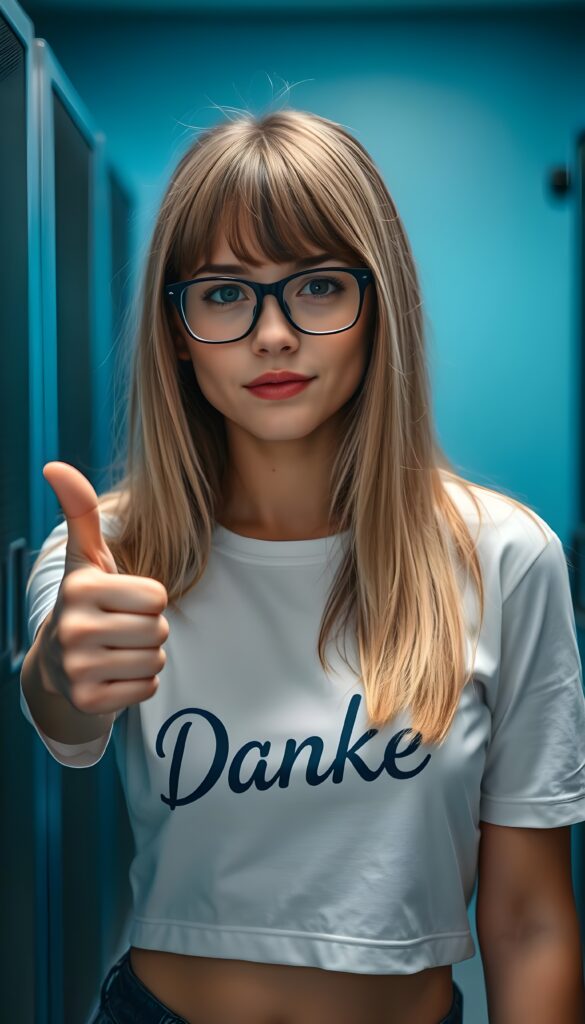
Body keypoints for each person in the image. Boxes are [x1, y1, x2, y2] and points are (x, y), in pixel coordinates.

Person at [20, 108, 585, 1024]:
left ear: (379, 307)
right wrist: (59, 667)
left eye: (318, 286)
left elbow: (529, 922)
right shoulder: (110, 552)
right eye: (224, 293)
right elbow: (62, 714)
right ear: (175, 328)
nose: (274, 334)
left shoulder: (504, 555)